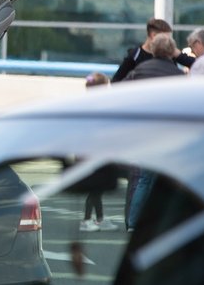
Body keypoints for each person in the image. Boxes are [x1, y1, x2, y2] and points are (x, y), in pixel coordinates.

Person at [79, 73, 116, 232]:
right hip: (93, 149)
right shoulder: (98, 104)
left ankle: (99, 219)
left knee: (98, 186)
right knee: (95, 187)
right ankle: (87, 220)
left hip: (88, 148)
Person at [111, 18, 194, 82]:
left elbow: (197, 65)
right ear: (153, 35)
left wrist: (179, 55)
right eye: (166, 37)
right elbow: (116, 81)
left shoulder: (170, 53)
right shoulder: (135, 55)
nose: (168, 40)